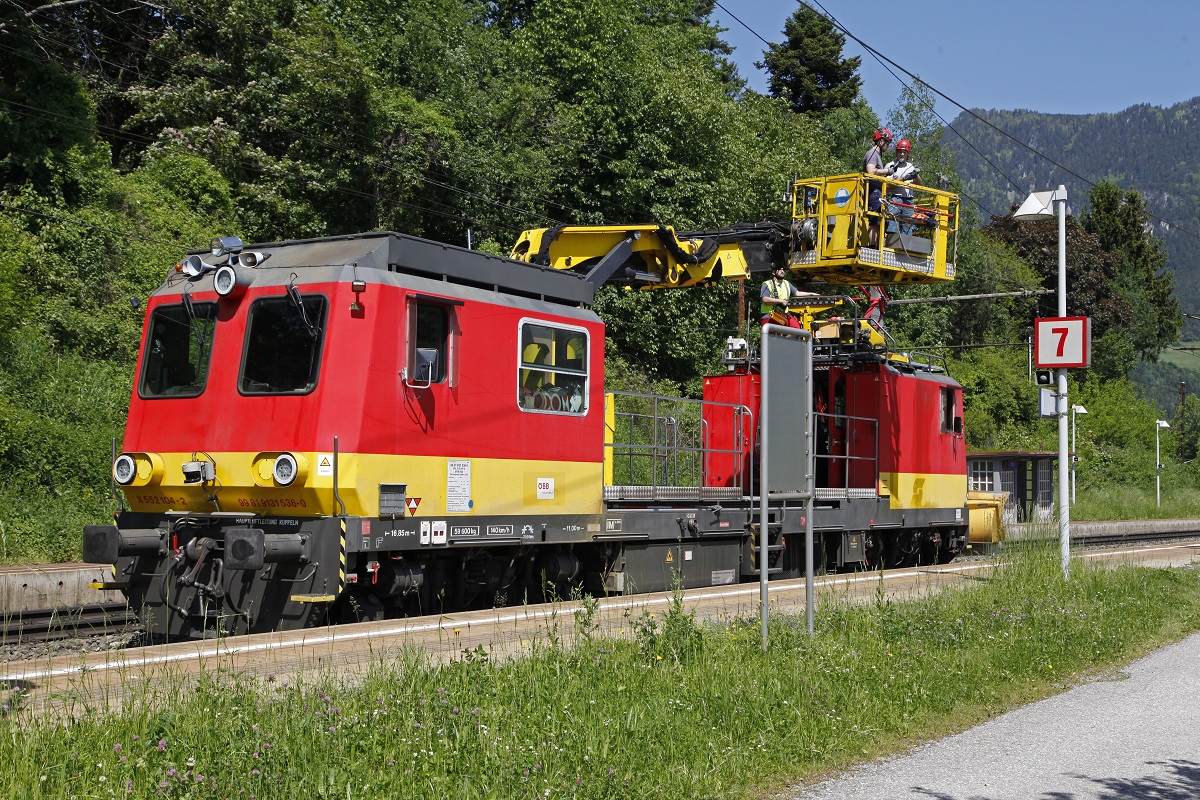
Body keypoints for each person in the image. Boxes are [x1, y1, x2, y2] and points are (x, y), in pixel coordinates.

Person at [883, 139, 922, 235]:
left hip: (908, 200)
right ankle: (891, 245)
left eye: (904, 152)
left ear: (907, 154)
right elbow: (886, 185)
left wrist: (916, 175)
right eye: (900, 152)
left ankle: (905, 247)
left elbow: (918, 184)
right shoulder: (891, 166)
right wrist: (903, 179)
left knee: (908, 226)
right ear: (897, 153)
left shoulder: (910, 167)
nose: (902, 154)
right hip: (895, 198)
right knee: (892, 222)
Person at [863, 128, 894, 246]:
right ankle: (872, 246)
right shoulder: (872, 153)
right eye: (887, 143)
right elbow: (870, 171)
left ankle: (876, 245)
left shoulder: (876, 155)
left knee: (878, 220)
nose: (888, 146)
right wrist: (887, 171)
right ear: (881, 141)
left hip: (876, 191)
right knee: (875, 221)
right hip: (874, 191)